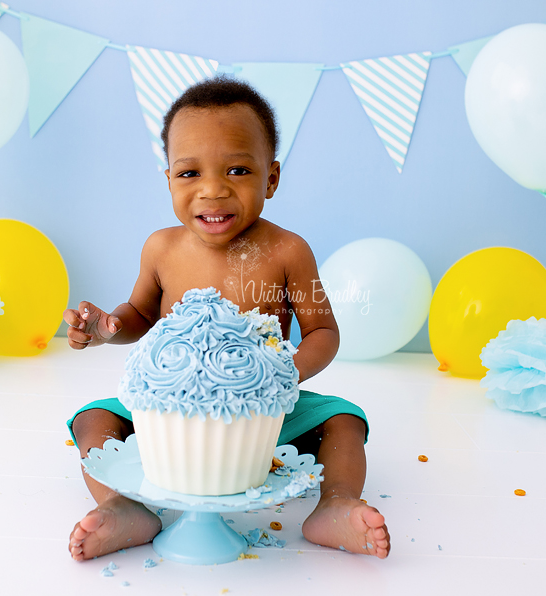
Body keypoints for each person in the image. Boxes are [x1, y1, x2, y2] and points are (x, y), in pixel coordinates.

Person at [64, 77, 390, 561]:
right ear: (169, 179)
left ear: (271, 178)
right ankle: (122, 506)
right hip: (173, 413)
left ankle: (335, 504)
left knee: (344, 419)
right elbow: (139, 315)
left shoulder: (287, 250)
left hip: (263, 414)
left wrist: (284, 375)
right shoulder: (162, 248)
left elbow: (322, 330)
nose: (213, 191)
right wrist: (106, 326)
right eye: (189, 173)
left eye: (237, 169)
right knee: (93, 418)